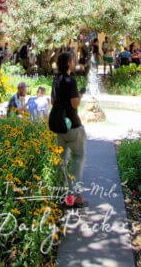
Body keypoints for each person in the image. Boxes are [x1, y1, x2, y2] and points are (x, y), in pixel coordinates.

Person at [51, 50, 86, 207]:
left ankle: (62, 194)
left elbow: (53, 101)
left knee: (61, 161)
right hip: (72, 124)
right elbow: (74, 103)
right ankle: (74, 197)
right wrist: (79, 95)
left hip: (59, 125)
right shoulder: (70, 80)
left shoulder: (56, 79)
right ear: (68, 63)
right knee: (78, 158)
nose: (75, 61)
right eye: (73, 60)